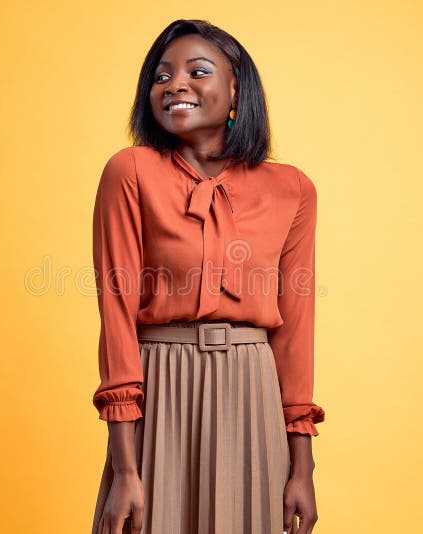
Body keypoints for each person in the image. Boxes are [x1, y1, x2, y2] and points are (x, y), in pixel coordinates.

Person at [90, 19, 326, 534]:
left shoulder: (293, 190)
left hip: (252, 394)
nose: (175, 85)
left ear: (238, 87)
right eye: (161, 76)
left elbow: (295, 331)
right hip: (161, 388)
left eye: (198, 71)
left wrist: (302, 468)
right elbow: (117, 318)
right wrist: (125, 468)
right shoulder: (129, 173)